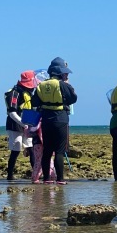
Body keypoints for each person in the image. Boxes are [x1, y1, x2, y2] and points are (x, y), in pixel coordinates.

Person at [32, 57, 78, 185]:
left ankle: (46, 178)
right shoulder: (63, 84)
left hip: (46, 119)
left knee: (47, 149)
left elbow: (35, 102)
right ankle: (60, 179)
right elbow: (73, 98)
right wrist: (67, 84)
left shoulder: (41, 85)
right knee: (59, 150)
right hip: (61, 118)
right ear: (60, 73)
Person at [4, 70, 37, 180]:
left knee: (31, 148)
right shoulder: (14, 93)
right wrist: (23, 124)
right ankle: (10, 175)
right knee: (16, 149)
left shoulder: (29, 93)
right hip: (15, 124)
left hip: (28, 123)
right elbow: (12, 112)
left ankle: (35, 174)